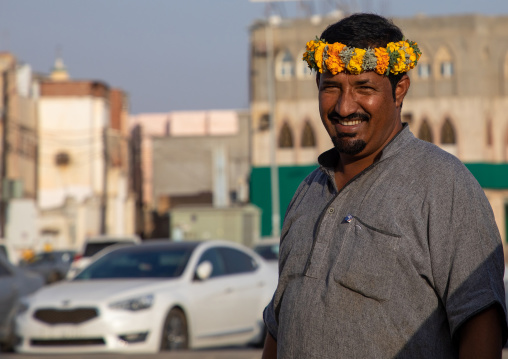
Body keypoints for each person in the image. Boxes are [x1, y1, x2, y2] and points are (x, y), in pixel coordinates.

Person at [262, 13, 508, 359]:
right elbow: (280, 327)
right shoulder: (308, 192)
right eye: (331, 87)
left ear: (399, 90)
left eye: (364, 87)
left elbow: (481, 325)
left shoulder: (443, 185)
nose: (345, 106)